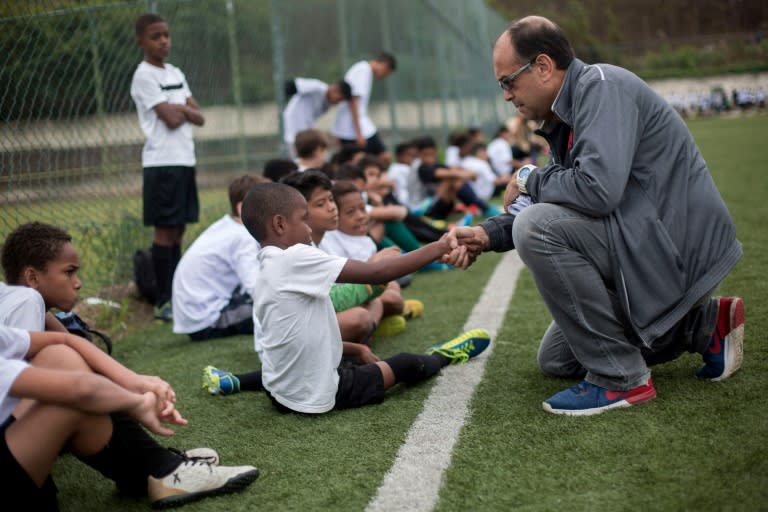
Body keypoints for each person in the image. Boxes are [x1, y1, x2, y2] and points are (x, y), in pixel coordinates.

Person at [450, 16, 744, 416]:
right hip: (646, 238)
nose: (506, 96)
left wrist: (527, 176)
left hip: (674, 246)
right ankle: (704, 327)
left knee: (536, 228)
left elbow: (596, 190)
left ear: (542, 66)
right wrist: (486, 235)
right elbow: (563, 195)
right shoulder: (567, 111)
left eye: (508, 82)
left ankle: (621, 379)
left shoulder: (601, 87)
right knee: (557, 359)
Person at [200, 182, 490, 414]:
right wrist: (439, 247)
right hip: (317, 395)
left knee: (321, 359)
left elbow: (305, 337)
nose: (309, 228)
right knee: (406, 364)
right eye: (303, 220)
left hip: (280, 393)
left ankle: (236, 381)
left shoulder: (267, 265)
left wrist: (355, 349)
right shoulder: (295, 257)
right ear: (279, 224)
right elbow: (378, 273)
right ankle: (442, 355)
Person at [130, 13, 205, 321]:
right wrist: (182, 110)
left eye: (166, 35)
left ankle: (178, 294)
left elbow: (199, 117)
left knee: (179, 228)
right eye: (155, 36)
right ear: (141, 41)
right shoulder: (144, 76)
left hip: (185, 159)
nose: (163, 41)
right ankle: (163, 301)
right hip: (162, 162)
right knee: (165, 230)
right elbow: (172, 120)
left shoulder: (175, 71)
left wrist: (179, 108)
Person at [172, 175, 267, 341]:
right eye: (268, 205)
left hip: (198, 309)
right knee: (276, 311)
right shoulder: (243, 237)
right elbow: (255, 288)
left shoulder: (228, 226)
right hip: (208, 319)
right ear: (242, 208)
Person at [331, 53, 397, 166]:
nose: (383, 76)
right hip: (351, 128)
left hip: (356, 126)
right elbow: (353, 101)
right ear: (385, 65)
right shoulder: (363, 70)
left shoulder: (365, 71)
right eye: (386, 73)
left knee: (381, 158)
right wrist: (359, 133)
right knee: (360, 162)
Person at [282, 77, 351, 158]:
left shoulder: (328, 104)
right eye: (339, 99)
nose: (338, 103)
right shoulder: (317, 87)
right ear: (334, 89)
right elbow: (290, 86)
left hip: (304, 132)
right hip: (292, 127)